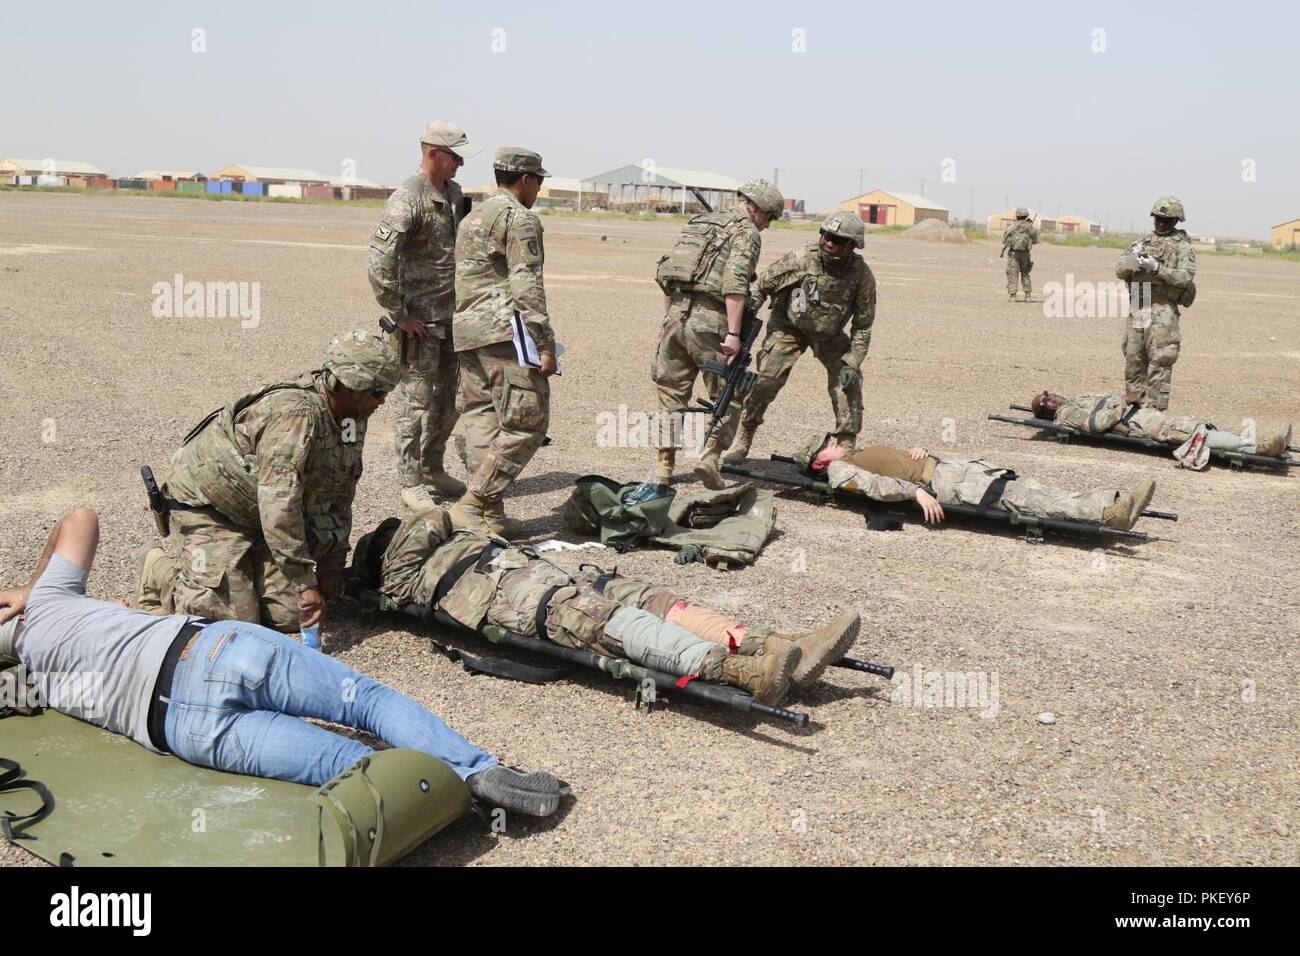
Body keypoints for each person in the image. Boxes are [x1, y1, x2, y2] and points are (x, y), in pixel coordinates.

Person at [1, 508, 561, 816]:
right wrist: (30, 586)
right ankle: (478, 771)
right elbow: (80, 517)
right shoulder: (48, 602)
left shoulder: (36, 686)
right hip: (212, 652)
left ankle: (449, 797)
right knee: (365, 703)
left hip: (184, 729)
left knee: (346, 765)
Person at [355, 510, 862, 705]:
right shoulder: (403, 578)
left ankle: (777, 643)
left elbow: (442, 524)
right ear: (386, 551)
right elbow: (433, 516)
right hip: (531, 600)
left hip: (553, 577)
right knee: (619, 625)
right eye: (390, 535)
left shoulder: (442, 548)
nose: (400, 532)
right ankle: (746, 672)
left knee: (657, 601)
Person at [136, 331, 399, 633]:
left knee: (293, 616)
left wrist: (331, 564)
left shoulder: (351, 419)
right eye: (378, 393)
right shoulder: (295, 416)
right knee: (228, 625)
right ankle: (159, 570)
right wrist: (304, 580)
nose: (381, 402)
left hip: (259, 516)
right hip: (212, 510)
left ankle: (244, 570)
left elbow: (340, 492)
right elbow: (280, 507)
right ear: (351, 386)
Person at [369, 121, 480, 512]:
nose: (461, 163)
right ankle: (410, 480)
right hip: (419, 323)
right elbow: (380, 260)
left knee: (449, 401)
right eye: (455, 156)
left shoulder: (453, 195)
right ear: (433, 153)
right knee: (414, 404)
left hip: (453, 320)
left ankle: (433, 466)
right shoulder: (408, 198)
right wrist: (399, 315)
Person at [650, 179, 785, 488]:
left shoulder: (700, 222)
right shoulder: (746, 232)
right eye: (770, 217)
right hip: (711, 322)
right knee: (730, 392)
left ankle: (663, 468)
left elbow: (667, 274)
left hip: (675, 318)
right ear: (757, 208)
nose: (767, 226)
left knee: (671, 395)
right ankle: (710, 459)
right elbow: (735, 286)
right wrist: (735, 334)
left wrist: (667, 319)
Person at [450, 147, 556, 539]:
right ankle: (474, 503)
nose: (539, 190)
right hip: (503, 334)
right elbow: (526, 284)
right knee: (528, 420)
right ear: (526, 180)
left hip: (468, 331)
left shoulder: (472, 216)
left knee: (482, 416)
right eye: (539, 182)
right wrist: (544, 341)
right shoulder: (519, 218)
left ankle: (487, 514)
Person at [723, 213, 876, 463]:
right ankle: (745, 435)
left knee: (849, 381)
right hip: (789, 327)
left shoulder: (862, 276)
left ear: (852, 245)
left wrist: (853, 361)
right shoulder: (802, 258)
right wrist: (738, 326)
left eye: (836, 239)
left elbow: (863, 325)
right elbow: (761, 287)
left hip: (830, 334)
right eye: (825, 235)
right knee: (766, 381)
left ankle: (846, 444)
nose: (828, 242)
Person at [791, 433, 1157, 531]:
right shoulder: (840, 473)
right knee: (1027, 499)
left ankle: (1112, 500)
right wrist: (916, 491)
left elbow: (892, 466)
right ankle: (1111, 513)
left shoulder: (853, 456)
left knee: (1032, 490)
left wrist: (917, 451)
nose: (833, 443)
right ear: (818, 463)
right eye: (825, 446)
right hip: (947, 484)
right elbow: (876, 488)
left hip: (951, 469)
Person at [1031, 390, 1292, 465]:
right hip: (1137, 424)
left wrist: (1130, 402)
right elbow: (1097, 425)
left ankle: (1253, 444)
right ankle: (1260, 448)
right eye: (1046, 403)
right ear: (1048, 411)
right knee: (1196, 435)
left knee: (1198, 426)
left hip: (1141, 415)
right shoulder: (1066, 413)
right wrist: (1121, 402)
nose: (1051, 398)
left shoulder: (1075, 399)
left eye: (1048, 394)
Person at [1116, 196, 1197, 410]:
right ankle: (1133, 400)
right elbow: (1119, 271)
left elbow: (1186, 277)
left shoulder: (1183, 247)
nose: (1161, 223)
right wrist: (1132, 261)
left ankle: (1154, 410)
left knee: (1160, 358)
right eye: (1158, 219)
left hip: (1162, 307)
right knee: (1133, 355)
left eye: (1166, 220)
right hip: (1139, 305)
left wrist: (1157, 269)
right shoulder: (1142, 242)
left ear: (1176, 221)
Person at [1001, 208, 1038, 301]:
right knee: (1025, 273)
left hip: (1013, 253)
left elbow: (1004, 240)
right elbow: (1036, 240)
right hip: (1025, 253)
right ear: (1026, 216)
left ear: (1017, 216)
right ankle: (1028, 296)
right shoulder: (1030, 227)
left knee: (1012, 273)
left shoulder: (1011, 227)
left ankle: (1013, 296)